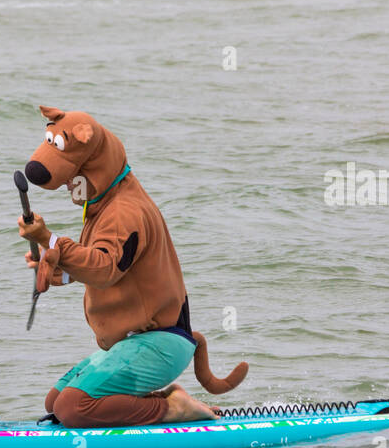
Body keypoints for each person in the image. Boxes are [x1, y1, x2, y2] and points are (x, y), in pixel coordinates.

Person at [17, 106, 247, 428]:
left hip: (158, 340)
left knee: (73, 406)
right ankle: (167, 400)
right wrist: (56, 268)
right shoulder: (105, 205)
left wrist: (50, 240)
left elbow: (105, 269)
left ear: (92, 168)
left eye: (72, 179)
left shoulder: (124, 211)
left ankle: (173, 410)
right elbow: (113, 269)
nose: (70, 187)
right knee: (55, 402)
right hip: (138, 340)